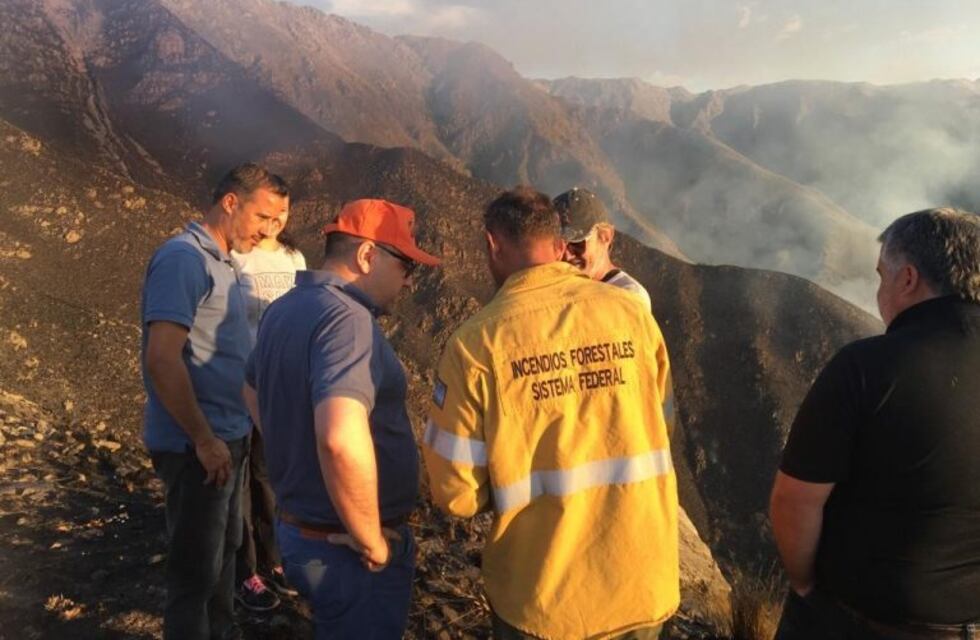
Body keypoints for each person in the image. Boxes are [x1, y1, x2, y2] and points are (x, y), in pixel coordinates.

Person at [423, 186, 679, 639]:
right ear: (560, 245)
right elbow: (663, 424)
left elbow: (456, 494)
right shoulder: (633, 315)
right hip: (642, 579)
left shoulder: (477, 345)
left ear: (491, 244)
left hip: (544, 596)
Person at [770, 208, 980, 639]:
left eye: (882, 275)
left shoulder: (866, 368)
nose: (879, 289)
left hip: (857, 621)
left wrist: (806, 587)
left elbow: (795, 501)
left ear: (908, 279)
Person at [243, 199, 441, 639]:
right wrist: (370, 538)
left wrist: (292, 449)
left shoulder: (286, 308)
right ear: (368, 255)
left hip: (301, 534)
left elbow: (250, 387)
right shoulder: (347, 321)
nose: (410, 281)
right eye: (407, 265)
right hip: (345, 548)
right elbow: (338, 437)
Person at [141, 163, 289, 640]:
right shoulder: (185, 259)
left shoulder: (225, 261)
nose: (268, 232)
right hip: (197, 449)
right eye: (262, 217)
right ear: (230, 202)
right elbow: (162, 359)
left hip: (229, 439)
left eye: (277, 223)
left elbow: (224, 355)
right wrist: (204, 441)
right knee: (195, 576)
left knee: (224, 557)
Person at [230, 216, 307, 611]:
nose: (276, 220)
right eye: (267, 212)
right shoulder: (235, 257)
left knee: (266, 474)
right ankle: (246, 571)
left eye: (284, 210)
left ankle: (274, 561)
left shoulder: (294, 257)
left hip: (276, 384)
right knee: (237, 480)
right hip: (235, 380)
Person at [554, 186, 652, 312]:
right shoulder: (560, 286)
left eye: (577, 243)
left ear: (605, 236)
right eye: (558, 245)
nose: (566, 255)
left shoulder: (629, 297)